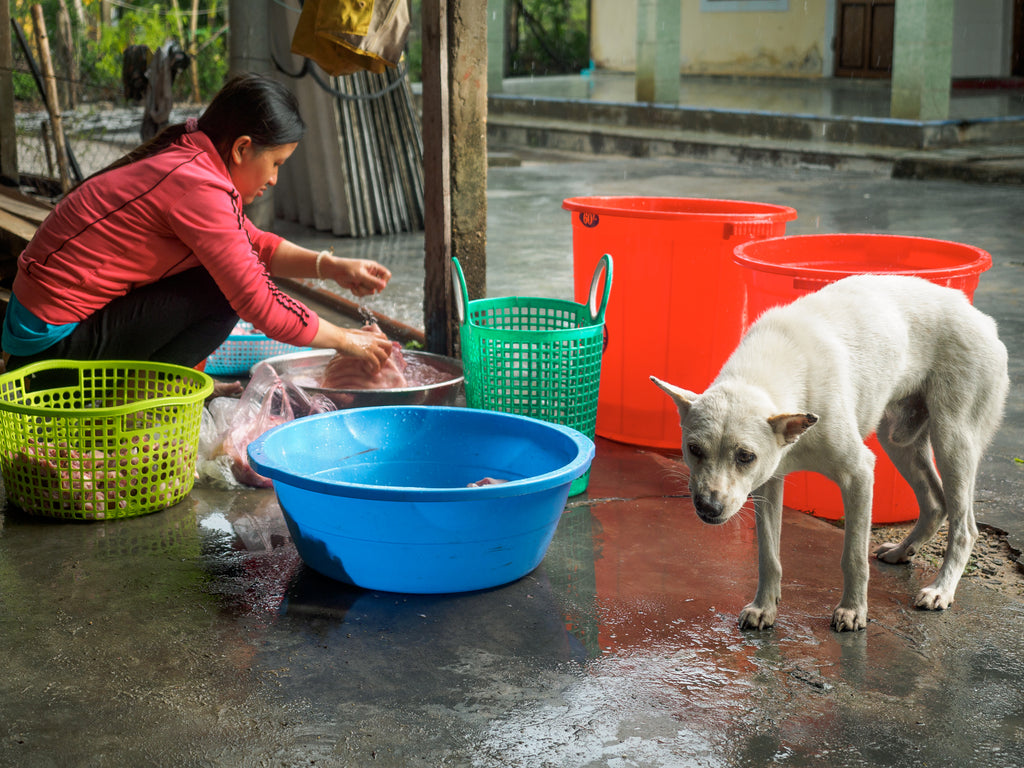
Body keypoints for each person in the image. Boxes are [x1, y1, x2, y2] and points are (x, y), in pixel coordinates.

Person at [1, 73, 394, 378]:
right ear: (241, 149)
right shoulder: (198, 187)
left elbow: (251, 244)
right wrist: (346, 340)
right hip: (47, 357)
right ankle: (142, 401)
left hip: (44, 336)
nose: (274, 179)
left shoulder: (193, 160)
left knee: (225, 277)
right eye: (275, 164)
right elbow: (258, 302)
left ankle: (151, 387)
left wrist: (332, 267)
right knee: (223, 294)